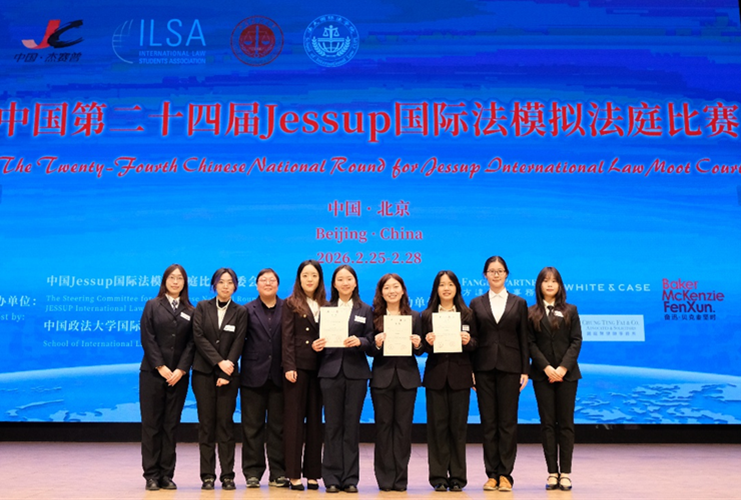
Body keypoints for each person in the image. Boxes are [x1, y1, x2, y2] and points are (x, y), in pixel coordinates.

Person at [469, 256, 529, 492]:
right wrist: (471, 370)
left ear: (506, 274)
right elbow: (473, 339)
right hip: (483, 368)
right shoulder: (476, 303)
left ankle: (505, 474)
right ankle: (491, 474)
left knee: (507, 422)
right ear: (485, 275)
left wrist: (525, 370)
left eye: (500, 271)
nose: (496, 274)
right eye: (491, 271)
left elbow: (524, 338)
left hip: (510, 368)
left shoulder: (519, 303)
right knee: (488, 422)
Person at [313, 265, 374, 493]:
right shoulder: (325, 309)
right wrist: (316, 345)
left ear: (355, 282)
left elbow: (371, 340)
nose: (345, 283)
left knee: (351, 426)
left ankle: (350, 478)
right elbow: (316, 338)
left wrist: (361, 342)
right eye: (340, 279)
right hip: (330, 372)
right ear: (334, 284)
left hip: (356, 373)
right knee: (332, 426)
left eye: (349, 279)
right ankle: (331, 477)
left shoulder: (365, 309)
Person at [139, 264, 195, 491]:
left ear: (185, 283)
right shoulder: (152, 305)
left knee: (171, 426)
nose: (175, 282)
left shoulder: (191, 310)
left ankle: (166, 475)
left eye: (180, 278)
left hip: (178, 377)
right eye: (172, 278)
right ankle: (151, 475)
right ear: (164, 281)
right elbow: (148, 337)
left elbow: (192, 343)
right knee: (152, 425)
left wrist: (181, 369)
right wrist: (160, 366)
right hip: (152, 374)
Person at [421, 270, 478, 492]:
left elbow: (476, 344)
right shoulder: (427, 315)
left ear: (457, 288)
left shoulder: (468, 314)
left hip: (460, 377)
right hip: (435, 377)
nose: (446, 288)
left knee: (458, 428)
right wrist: (427, 342)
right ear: (436, 288)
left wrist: (468, 340)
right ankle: (438, 477)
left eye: (450, 284)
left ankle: (457, 478)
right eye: (442, 284)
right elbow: (420, 348)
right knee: (437, 428)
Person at [527, 267, 582, 491]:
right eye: (545, 281)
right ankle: (552, 472)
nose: (550, 285)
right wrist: (547, 368)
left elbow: (576, 341)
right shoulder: (530, 312)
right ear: (539, 285)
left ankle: (565, 473)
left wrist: (562, 368)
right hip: (543, 376)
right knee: (547, 424)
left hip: (567, 376)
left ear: (560, 285)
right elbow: (530, 344)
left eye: (554, 281)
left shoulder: (571, 310)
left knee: (566, 424)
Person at [192, 267, 247, 490]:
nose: (225, 286)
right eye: (221, 282)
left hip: (229, 376)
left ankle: (227, 475)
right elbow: (199, 337)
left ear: (235, 286)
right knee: (206, 425)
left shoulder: (240, 311)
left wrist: (226, 370)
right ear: (214, 285)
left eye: (230, 282)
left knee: (225, 425)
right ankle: (207, 475)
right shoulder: (202, 307)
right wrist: (218, 362)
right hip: (203, 373)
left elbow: (239, 342)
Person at [369, 273, 423, 492]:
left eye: (395, 287)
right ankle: (384, 478)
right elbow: (369, 349)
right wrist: (376, 343)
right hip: (382, 378)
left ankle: (400, 479)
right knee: (383, 428)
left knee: (403, 429)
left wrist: (418, 344)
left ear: (403, 290)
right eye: (387, 288)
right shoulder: (374, 317)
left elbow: (421, 350)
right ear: (381, 292)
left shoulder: (415, 317)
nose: (391, 291)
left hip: (407, 378)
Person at [240, 268, 288, 488]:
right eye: (263, 280)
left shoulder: (288, 308)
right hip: (252, 375)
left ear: (277, 284)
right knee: (252, 427)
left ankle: (278, 472)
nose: (268, 283)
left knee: (278, 427)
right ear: (257, 285)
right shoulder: (246, 310)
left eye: (272, 280)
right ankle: (252, 472)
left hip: (280, 375)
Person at [281, 259, 327, 490]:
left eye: (314, 275)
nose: (310, 279)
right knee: (294, 422)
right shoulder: (290, 303)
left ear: (320, 279)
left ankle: (313, 473)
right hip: (297, 369)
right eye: (305, 275)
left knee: (316, 422)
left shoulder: (327, 305)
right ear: (299, 279)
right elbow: (286, 338)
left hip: (321, 369)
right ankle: (293, 474)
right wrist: (289, 366)